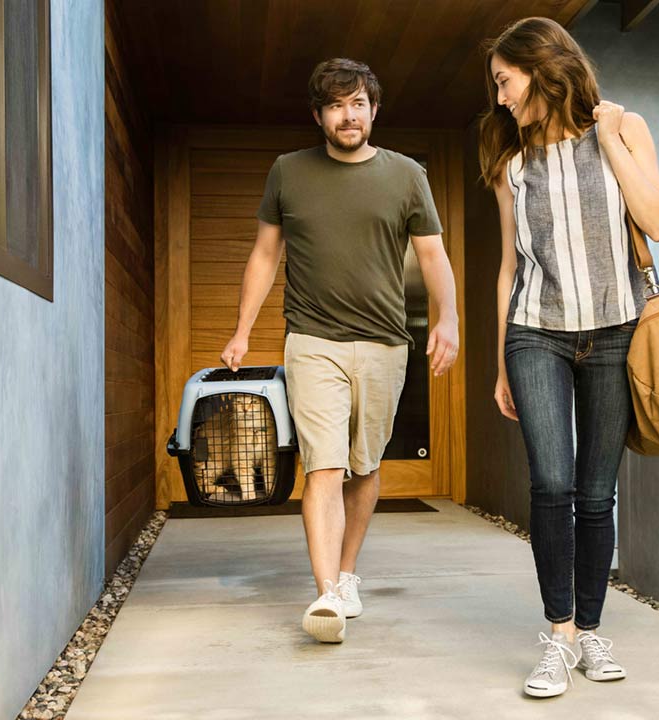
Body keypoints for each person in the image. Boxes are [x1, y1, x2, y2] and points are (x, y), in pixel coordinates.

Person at [221, 58, 459, 644]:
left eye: (357, 104)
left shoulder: (406, 175)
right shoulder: (288, 171)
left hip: (384, 342)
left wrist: (448, 319)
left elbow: (431, 254)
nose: (347, 116)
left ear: (373, 111)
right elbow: (265, 254)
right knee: (323, 466)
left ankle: (348, 572)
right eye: (335, 106)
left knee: (365, 465)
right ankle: (326, 593)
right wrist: (241, 329)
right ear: (318, 116)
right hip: (311, 339)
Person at [478, 17, 659, 697]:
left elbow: (658, 220)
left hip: (617, 331)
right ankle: (559, 636)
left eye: (505, 81)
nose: (500, 97)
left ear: (541, 68)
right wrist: (501, 362)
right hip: (536, 333)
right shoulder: (512, 163)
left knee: (596, 494)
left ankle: (590, 629)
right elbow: (508, 268)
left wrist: (612, 139)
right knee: (551, 484)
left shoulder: (625, 128)